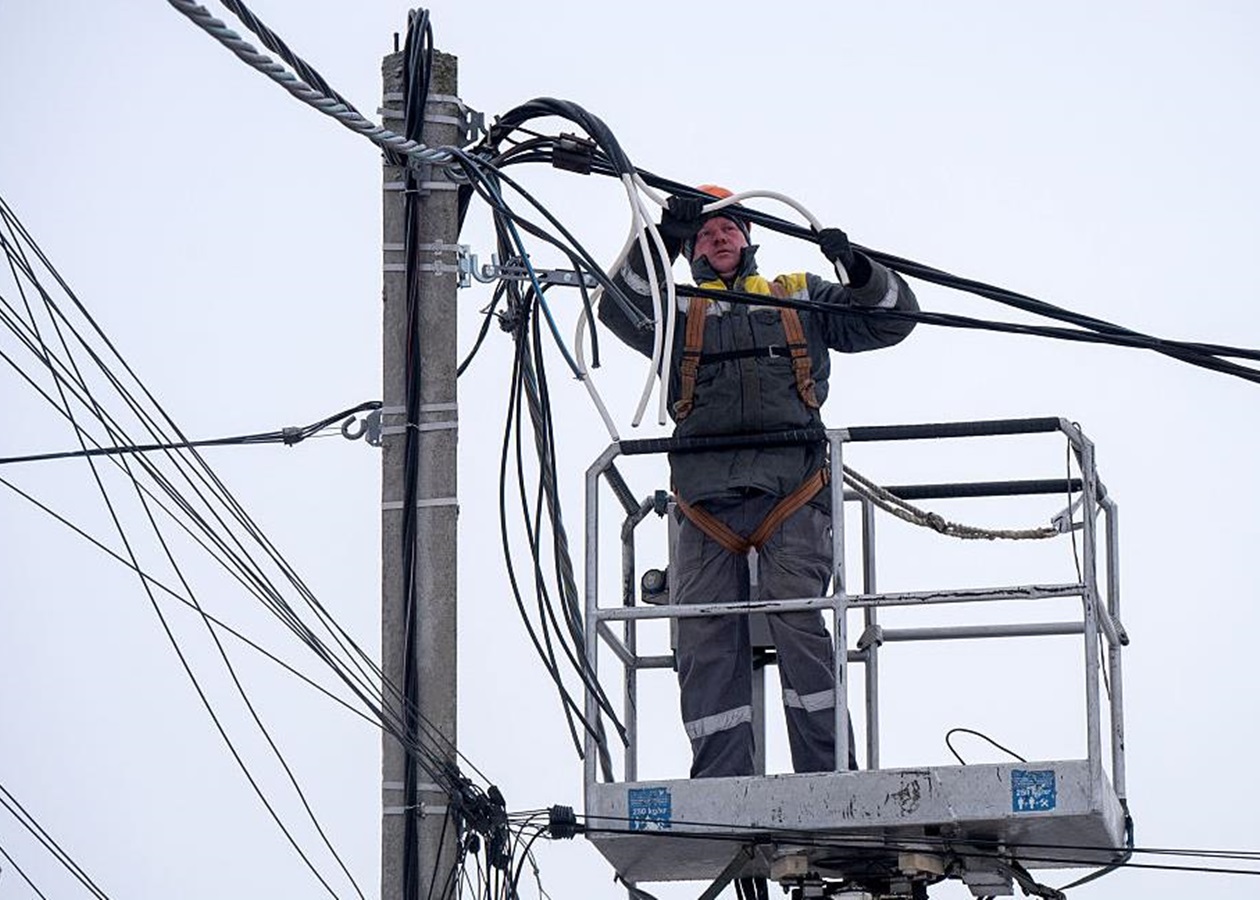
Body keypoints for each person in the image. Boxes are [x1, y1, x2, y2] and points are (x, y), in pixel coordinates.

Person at [597, 186, 919, 779]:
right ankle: (720, 786)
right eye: (705, 234)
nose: (718, 239)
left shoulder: (796, 297)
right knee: (703, 638)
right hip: (704, 505)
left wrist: (856, 267)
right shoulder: (679, 311)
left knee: (800, 625)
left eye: (730, 230)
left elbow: (894, 319)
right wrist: (665, 236)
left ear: (749, 240)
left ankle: (828, 775)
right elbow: (617, 308)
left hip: (790, 492)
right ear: (693, 248)